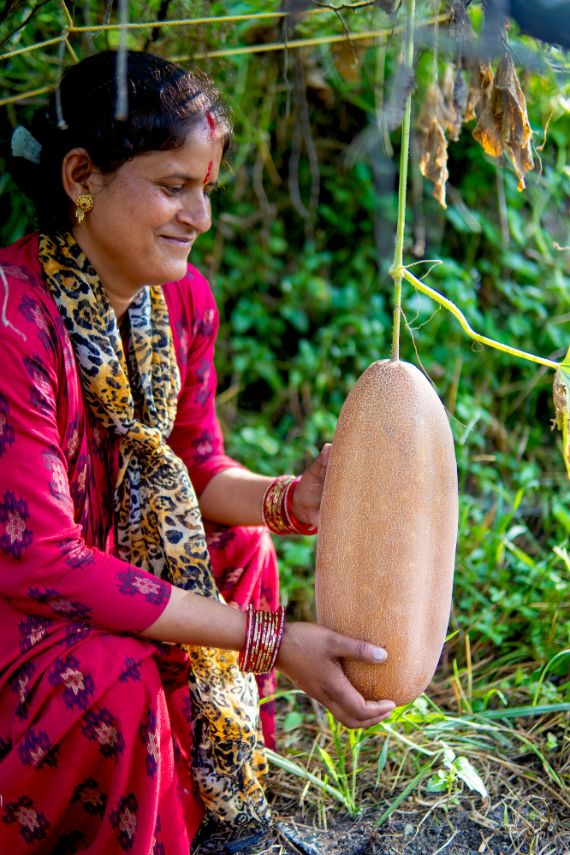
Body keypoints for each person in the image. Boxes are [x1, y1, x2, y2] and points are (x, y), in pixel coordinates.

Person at [0, 50, 395, 854]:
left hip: (103, 565)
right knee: (114, 678)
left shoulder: (182, 301)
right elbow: (42, 561)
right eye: (174, 186)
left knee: (245, 548)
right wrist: (268, 640)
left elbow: (197, 465)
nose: (200, 217)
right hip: (24, 607)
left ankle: (217, 801)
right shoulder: (13, 319)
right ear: (81, 176)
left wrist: (292, 499)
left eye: (206, 188)